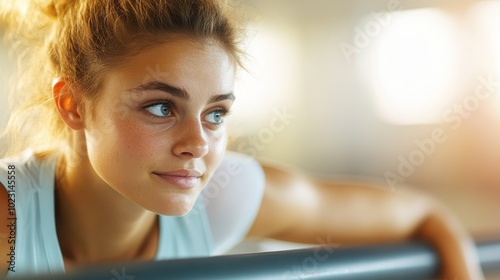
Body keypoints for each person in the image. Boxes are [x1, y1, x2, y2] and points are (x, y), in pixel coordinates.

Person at [0, 0, 484, 279]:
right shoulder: (10, 221)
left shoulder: (218, 192)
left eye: (215, 114)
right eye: (161, 107)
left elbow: (424, 216)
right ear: (73, 105)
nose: (198, 145)